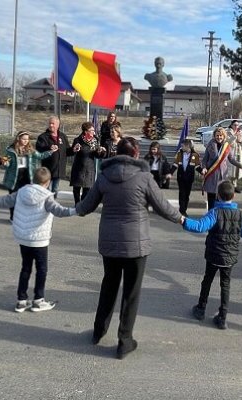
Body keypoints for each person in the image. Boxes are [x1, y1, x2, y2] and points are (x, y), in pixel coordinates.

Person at [75, 137, 182, 360]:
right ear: (135, 155)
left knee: (109, 286)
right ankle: (124, 341)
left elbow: (86, 206)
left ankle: (98, 331)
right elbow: (162, 207)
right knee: (131, 293)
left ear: (117, 154)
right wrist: (180, 219)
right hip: (137, 245)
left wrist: (70, 210)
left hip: (110, 243)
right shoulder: (144, 177)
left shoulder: (104, 176)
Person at [0, 167, 76, 312]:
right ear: (47, 183)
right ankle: (38, 299)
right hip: (40, 239)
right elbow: (59, 211)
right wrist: (76, 210)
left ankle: (21, 300)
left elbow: (2, 201)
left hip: (23, 238)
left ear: (32, 179)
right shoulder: (47, 196)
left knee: (26, 268)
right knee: (41, 269)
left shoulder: (21, 192)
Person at [184, 181, 242, 330]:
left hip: (214, 255)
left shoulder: (215, 213)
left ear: (218, 196)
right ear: (233, 196)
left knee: (207, 280)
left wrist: (183, 220)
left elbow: (199, 226)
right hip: (230, 257)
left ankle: (201, 309)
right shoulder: (241, 215)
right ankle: (222, 317)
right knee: (225, 285)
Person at [2, 131, 56, 221]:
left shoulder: (30, 150)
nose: (25, 141)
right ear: (18, 139)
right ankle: (13, 216)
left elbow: (40, 156)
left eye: (27, 139)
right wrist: (5, 163)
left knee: (24, 199)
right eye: (23, 139)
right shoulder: (10, 150)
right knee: (13, 198)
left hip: (26, 177)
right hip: (14, 177)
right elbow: (5, 161)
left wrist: (51, 151)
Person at [202, 127, 242, 210]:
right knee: (211, 200)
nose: (219, 137)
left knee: (221, 200)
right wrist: (204, 168)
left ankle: (219, 217)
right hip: (212, 175)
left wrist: (241, 166)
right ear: (214, 136)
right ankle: (210, 218)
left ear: (224, 136)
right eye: (217, 135)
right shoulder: (210, 144)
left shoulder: (227, 145)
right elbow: (205, 159)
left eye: (221, 135)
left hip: (222, 177)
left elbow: (231, 159)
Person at [35, 115, 73, 195]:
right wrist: (49, 147)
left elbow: (67, 151)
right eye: (49, 123)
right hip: (47, 169)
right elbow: (39, 149)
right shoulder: (43, 137)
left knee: (54, 190)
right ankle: (45, 205)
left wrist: (74, 150)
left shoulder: (63, 136)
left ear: (58, 125)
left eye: (53, 123)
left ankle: (52, 204)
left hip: (58, 169)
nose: (51, 125)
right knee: (46, 190)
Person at [70, 122, 103, 205]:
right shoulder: (78, 140)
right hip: (79, 167)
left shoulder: (96, 140)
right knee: (76, 188)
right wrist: (75, 149)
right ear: (86, 131)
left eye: (93, 130)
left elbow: (98, 156)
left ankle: (83, 205)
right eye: (91, 130)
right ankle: (77, 204)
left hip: (89, 168)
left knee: (87, 189)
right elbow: (73, 152)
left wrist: (99, 152)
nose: (94, 132)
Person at [172, 139, 201, 216]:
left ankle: (184, 209)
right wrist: (170, 173)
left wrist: (203, 172)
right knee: (182, 193)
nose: (181, 147)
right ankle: (181, 211)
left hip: (189, 178)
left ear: (188, 146)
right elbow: (175, 165)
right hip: (181, 177)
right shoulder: (179, 154)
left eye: (183, 146)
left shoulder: (195, 155)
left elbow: (197, 167)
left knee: (187, 194)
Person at [227, 121, 242, 193]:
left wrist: (241, 140)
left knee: (237, 170)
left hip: (238, 153)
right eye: (235, 125)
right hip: (231, 153)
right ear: (231, 125)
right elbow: (228, 142)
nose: (236, 127)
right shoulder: (228, 132)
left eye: (238, 125)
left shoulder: (240, 133)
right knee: (230, 170)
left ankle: (235, 185)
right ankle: (228, 186)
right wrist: (235, 136)